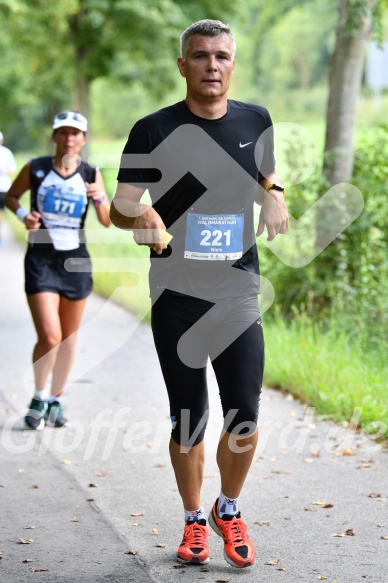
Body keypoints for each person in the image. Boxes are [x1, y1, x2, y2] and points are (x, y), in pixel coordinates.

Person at [110, 20, 288, 568]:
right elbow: (119, 206)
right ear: (182, 64)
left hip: (237, 291)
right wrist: (140, 211)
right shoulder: (152, 130)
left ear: (233, 64)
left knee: (245, 417)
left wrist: (275, 193)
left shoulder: (255, 120)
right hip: (178, 292)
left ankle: (227, 509)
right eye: (201, 56)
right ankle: (193, 521)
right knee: (188, 417)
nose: (212, 65)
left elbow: (262, 172)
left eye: (222, 56)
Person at [5, 111, 111, 429]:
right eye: (63, 133)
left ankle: (55, 400)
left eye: (75, 133)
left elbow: (106, 220)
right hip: (41, 258)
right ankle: (38, 396)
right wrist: (24, 215)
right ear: (54, 137)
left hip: (75, 261)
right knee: (50, 336)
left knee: (68, 338)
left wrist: (100, 197)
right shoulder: (35, 168)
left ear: (83, 139)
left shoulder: (91, 173)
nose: (69, 139)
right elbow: (10, 197)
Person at [0, 130, 17, 244]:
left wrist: (4, 169)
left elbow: (13, 169)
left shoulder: (6, 153)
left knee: (0, 212)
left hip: (2, 187)